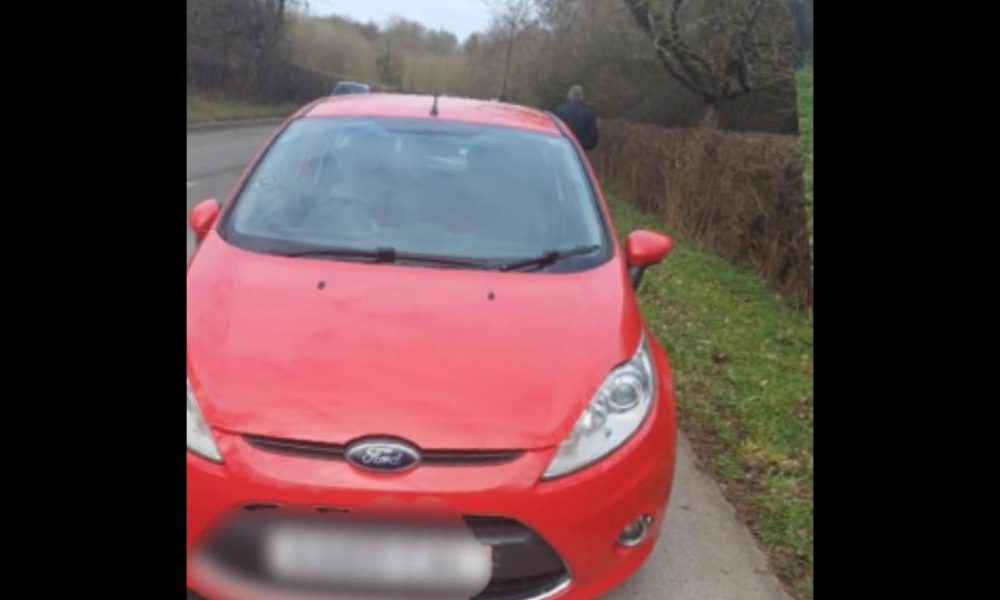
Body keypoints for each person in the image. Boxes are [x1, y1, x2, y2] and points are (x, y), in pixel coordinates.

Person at [553, 85, 599, 151]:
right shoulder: (589, 112)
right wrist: (588, 146)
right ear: (582, 96)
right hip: (581, 148)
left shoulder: (559, 110)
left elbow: (554, 130)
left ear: (569, 95)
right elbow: (593, 135)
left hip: (563, 147)